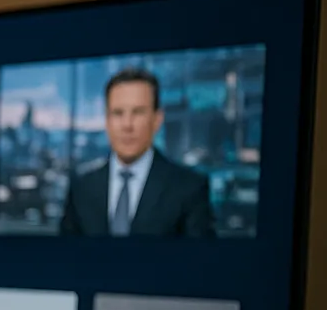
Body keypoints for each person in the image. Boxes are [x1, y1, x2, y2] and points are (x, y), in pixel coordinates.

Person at [60, 67, 214, 238]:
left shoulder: (189, 189)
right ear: (107, 120)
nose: (127, 125)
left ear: (157, 119)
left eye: (138, 112)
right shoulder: (82, 188)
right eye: (118, 113)